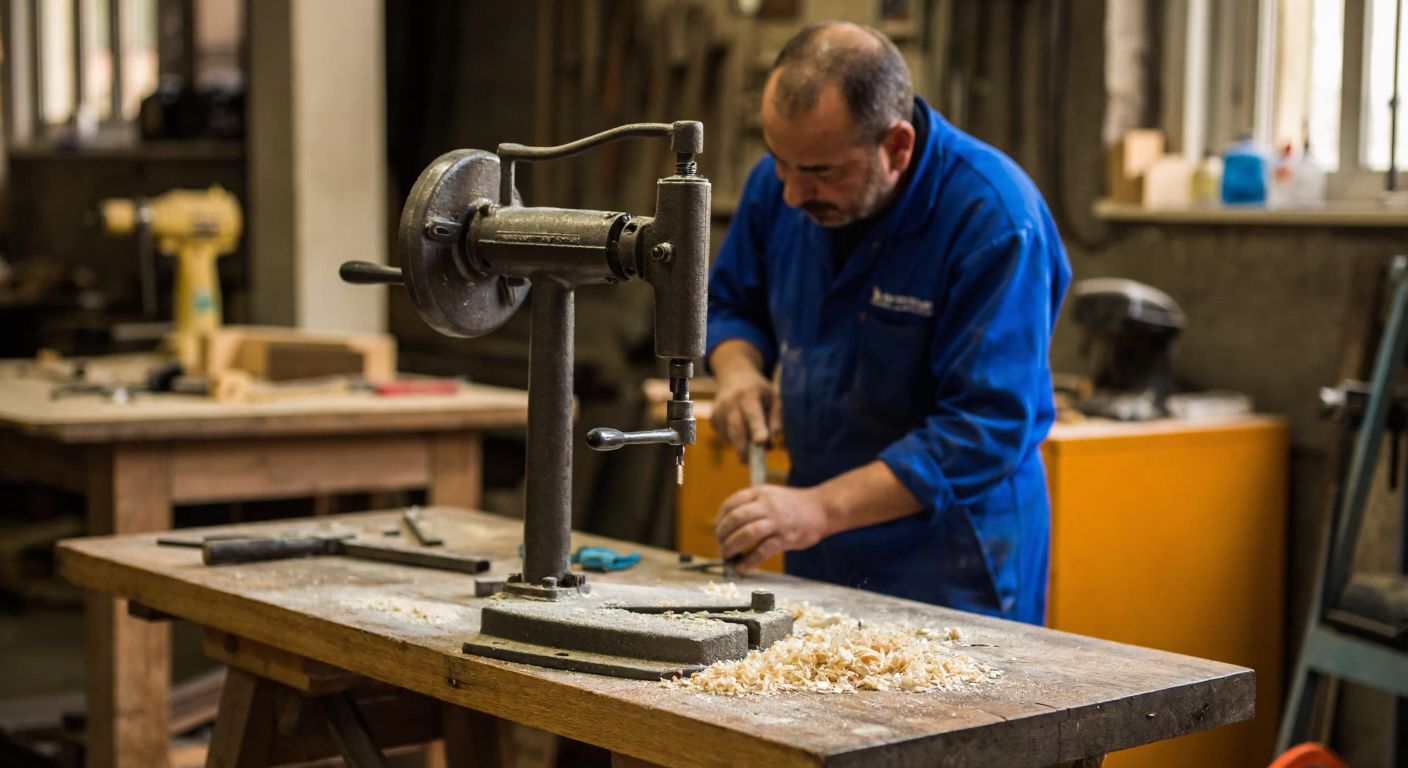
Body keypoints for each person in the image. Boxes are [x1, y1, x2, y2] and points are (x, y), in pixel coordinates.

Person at [707, 21, 1070, 625]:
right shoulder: (780, 187)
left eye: (820, 172)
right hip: (819, 535)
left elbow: (983, 427)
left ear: (897, 147)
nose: (793, 195)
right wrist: (740, 373)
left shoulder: (996, 219)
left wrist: (818, 509)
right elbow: (732, 304)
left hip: (949, 555)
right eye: (780, 163)